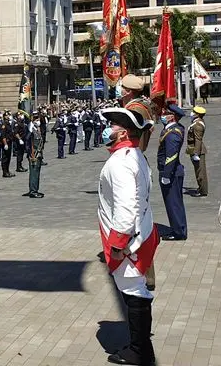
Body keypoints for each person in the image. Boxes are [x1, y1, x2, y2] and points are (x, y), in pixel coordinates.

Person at [98, 104, 159, 366]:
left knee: (135, 293)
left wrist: (119, 244)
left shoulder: (121, 162)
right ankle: (139, 345)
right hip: (140, 233)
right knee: (137, 290)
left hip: (129, 242)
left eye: (112, 126)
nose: (107, 130)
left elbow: (125, 205)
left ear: (123, 134)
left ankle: (139, 350)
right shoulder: (134, 155)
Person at [158, 105, 187, 241]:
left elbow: (172, 155)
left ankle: (178, 232)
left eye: (166, 113)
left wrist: (166, 174)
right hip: (173, 172)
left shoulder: (173, 132)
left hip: (171, 173)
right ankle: (178, 228)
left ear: (173, 116)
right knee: (174, 203)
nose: (163, 114)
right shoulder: (172, 129)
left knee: (173, 203)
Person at [186, 106, 209, 197]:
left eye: (194, 112)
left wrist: (196, 153)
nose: (192, 113)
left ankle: (203, 190)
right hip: (194, 148)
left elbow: (198, 140)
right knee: (198, 170)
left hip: (197, 150)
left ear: (198, 114)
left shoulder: (198, 125)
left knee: (200, 172)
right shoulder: (196, 123)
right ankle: (201, 188)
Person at [24, 113, 45, 199]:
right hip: (34, 155)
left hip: (38, 154)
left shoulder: (37, 129)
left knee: (36, 173)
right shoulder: (31, 130)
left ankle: (33, 189)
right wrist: (31, 155)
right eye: (36, 119)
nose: (38, 121)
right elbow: (27, 140)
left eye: (38, 119)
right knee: (34, 174)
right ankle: (33, 191)